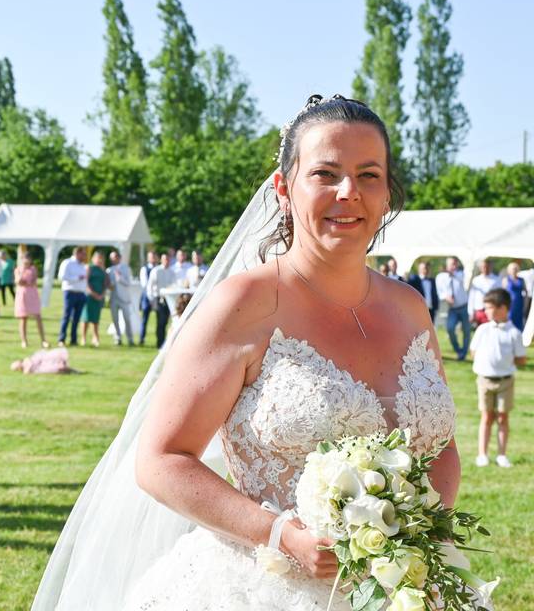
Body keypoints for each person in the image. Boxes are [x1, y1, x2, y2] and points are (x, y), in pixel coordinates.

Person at [33, 95, 460, 610]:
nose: (349, 192)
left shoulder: (411, 307)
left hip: (408, 587)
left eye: (369, 175)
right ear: (283, 190)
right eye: (325, 173)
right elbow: (161, 459)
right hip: (270, 584)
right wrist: (281, 534)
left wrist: (414, 533)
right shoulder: (245, 303)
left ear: (388, 193)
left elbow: (441, 447)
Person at [470, 288, 526, 469]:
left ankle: (502, 454)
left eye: (489, 308)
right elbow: (473, 351)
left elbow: (521, 359)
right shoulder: (483, 330)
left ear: (503, 308)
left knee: (502, 417)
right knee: (486, 416)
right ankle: (482, 454)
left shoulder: (514, 333)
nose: (485, 311)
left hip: (505, 381)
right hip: (484, 380)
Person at [438, 256, 471, 360]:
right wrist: (446, 297)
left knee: (466, 331)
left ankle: (464, 354)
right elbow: (440, 292)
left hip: (464, 307)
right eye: (451, 264)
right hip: (452, 309)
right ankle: (458, 350)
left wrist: (454, 275)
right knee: (450, 328)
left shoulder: (461, 274)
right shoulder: (441, 277)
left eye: (455, 264)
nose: (453, 266)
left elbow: (465, 281)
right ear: (447, 265)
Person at [14, 254, 48, 349]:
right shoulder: (18, 270)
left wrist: (26, 282)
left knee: (38, 317)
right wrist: (22, 272)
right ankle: (24, 340)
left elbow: (33, 281)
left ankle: (43, 340)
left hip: (32, 293)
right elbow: (18, 281)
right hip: (22, 294)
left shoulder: (33, 269)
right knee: (23, 318)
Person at [57, 247, 88, 347]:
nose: (85, 256)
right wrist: (77, 278)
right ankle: (61, 339)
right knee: (66, 316)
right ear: (78, 253)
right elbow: (62, 277)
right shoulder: (67, 263)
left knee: (76, 318)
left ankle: (73, 339)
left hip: (81, 293)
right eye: (83, 254)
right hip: (70, 292)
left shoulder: (83, 266)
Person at [146, 252, 176, 349]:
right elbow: (150, 286)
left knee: (166, 321)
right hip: (159, 298)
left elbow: (174, 285)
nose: (166, 261)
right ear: (161, 260)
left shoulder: (172, 272)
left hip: (169, 299)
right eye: (165, 259)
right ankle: (160, 343)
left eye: (168, 259)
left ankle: (165, 342)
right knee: (160, 321)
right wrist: (152, 299)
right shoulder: (156, 271)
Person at [107, 251, 137, 347]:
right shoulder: (109, 270)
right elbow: (108, 285)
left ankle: (130, 339)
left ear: (119, 258)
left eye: (114, 257)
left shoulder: (126, 268)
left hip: (124, 298)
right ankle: (118, 338)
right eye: (111, 258)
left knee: (127, 319)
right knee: (115, 319)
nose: (113, 259)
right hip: (113, 298)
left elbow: (128, 283)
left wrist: (119, 278)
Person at [80, 251, 108, 347]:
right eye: (98, 258)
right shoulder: (89, 268)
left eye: (101, 258)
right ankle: (83, 337)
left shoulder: (103, 270)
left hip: (99, 296)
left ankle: (95, 337)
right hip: (89, 296)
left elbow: (105, 284)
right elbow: (86, 282)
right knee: (86, 317)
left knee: (95, 318)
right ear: (93, 259)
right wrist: (93, 293)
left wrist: (102, 294)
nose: (99, 260)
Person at [468, 259, 500, 326]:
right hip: (479, 309)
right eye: (483, 267)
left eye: (487, 267)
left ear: (490, 267)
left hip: (492, 310)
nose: (485, 269)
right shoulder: (476, 280)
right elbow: (472, 297)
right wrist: (471, 312)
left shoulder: (496, 279)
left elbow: (499, 295)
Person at [502, 261, 529, 331]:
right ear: (509, 270)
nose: (514, 270)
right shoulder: (506, 279)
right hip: (509, 303)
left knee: (519, 320)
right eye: (513, 269)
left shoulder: (522, 280)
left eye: (515, 268)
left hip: (519, 303)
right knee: (509, 319)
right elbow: (503, 292)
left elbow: (526, 292)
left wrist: (525, 303)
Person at [138, 251, 157, 346]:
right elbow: (144, 284)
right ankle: (141, 338)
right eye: (151, 257)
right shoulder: (144, 269)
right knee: (144, 319)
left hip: (157, 296)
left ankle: (160, 340)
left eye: (154, 256)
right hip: (147, 297)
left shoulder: (158, 269)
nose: (153, 258)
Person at [11, 348, 76, 374]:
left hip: (43, 361)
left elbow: (30, 363)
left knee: (58, 361)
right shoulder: (25, 369)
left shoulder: (26, 360)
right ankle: (73, 371)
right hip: (42, 367)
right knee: (60, 368)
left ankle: (74, 371)